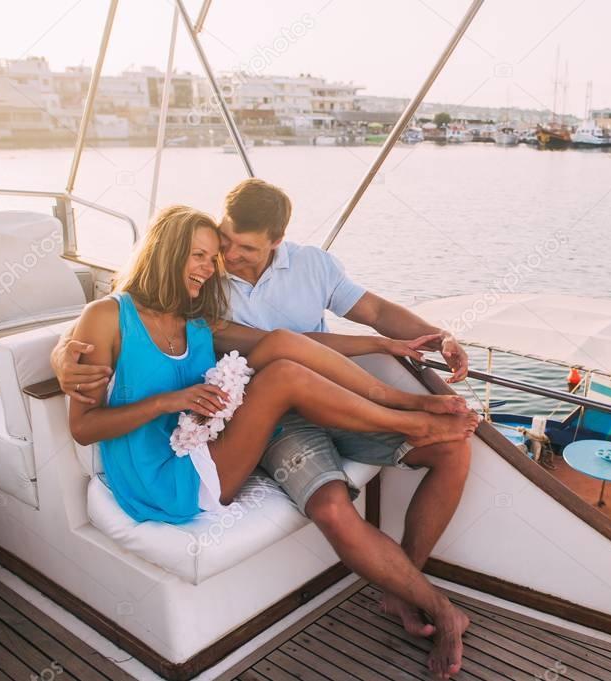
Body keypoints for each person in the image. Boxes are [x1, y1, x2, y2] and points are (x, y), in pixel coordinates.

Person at [54, 184, 476, 677]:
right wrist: (71, 359)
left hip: (249, 423)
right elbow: (89, 402)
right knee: (287, 384)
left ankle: (404, 570)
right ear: (170, 251)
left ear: (277, 240)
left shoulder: (211, 311)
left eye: (223, 255)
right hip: (208, 451)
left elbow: (312, 334)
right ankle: (409, 428)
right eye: (208, 253)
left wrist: (410, 339)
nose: (218, 264)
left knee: (294, 366)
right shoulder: (152, 308)